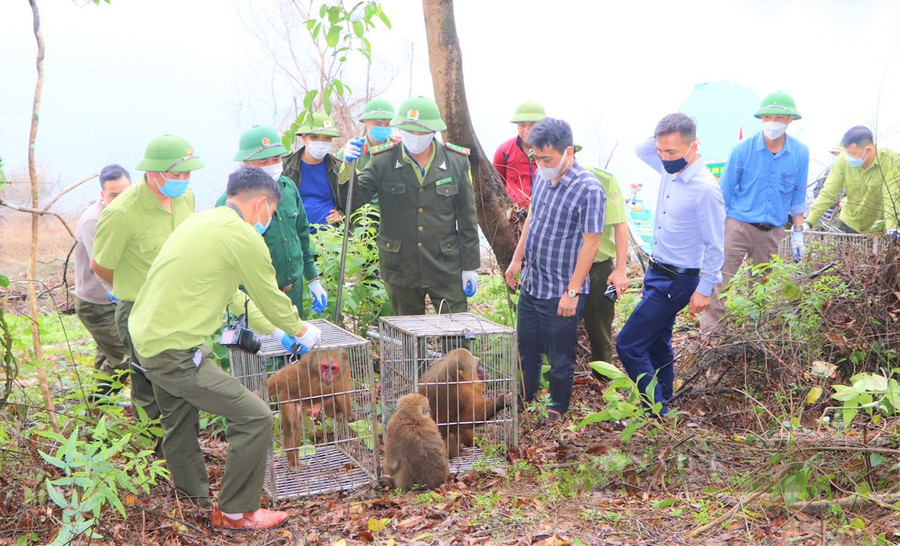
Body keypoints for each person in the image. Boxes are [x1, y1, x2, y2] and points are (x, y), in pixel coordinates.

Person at [129, 166, 321, 530]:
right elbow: (269, 294)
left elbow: (235, 293)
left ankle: (193, 502)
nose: (269, 220)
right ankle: (235, 511)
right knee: (255, 416)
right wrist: (300, 329)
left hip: (147, 341)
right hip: (175, 353)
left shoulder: (200, 222)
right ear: (261, 204)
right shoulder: (243, 236)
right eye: (272, 213)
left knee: (178, 420)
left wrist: (276, 331)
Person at [617, 113, 725, 416]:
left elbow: (716, 247)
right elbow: (642, 149)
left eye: (672, 152)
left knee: (628, 343)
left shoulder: (705, 190)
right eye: (661, 151)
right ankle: (663, 406)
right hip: (656, 271)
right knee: (657, 342)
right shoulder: (669, 170)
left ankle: (655, 409)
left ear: (694, 147)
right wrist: (664, 138)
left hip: (678, 280)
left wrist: (704, 290)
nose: (664, 158)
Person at [92, 135, 203, 423]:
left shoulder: (185, 197)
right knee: (147, 385)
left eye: (187, 174)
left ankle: (181, 441)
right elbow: (100, 265)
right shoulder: (122, 213)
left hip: (179, 306)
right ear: (153, 173)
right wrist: (129, 287)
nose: (183, 180)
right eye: (176, 174)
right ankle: (153, 450)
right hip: (140, 310)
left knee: (184, 378)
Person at [504, 118, 606, 424]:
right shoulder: (542, 176)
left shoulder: (588, 189)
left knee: (560, 358)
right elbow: (533, 218)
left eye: (547, 158)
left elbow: (591, 244)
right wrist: (516, 259)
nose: (541, 164)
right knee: (527, 348)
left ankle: (556, 409)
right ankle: (526, 399)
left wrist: (572, 292)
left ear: (568, 152)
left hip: (562, 289)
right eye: (537, 158)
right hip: (533, 282)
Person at [341, 95, 481, 315]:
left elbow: (467, 218)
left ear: (433, 131)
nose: (415, 137)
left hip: (445, 265)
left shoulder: (456, 161)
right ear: (400, 129)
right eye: (409, 130)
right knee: (407, 337)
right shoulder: (383, 160)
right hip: (400, 266)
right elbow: (353, 200)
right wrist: (346, 167)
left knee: (456, 335)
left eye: (421, 131)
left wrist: (470, 266)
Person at [699, 91, 808, 337]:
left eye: (779, 117)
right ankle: (710, 339)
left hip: (772, 231)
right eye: (768, 116)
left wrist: (799, 231)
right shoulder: (742, 150)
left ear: (789, 120)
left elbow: (798, 198)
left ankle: (752, 338)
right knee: (720, 282)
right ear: (761, 119)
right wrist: (712, 234)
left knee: (763, 287)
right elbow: (723, 195)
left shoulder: (800, 153)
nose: (773, 122)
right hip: (737, 225)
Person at [216, 125, 326, 318]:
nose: (272, 165)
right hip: (254, 300)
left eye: (276, 159)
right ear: (246, 163)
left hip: (292, 294)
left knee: (295, 344)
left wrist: (313, 279)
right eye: (263, 161)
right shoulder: (230, 202)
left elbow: (302, 235)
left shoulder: (288, 188)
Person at [73, 164, 131, 397]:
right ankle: (98, 406)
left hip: (117, 301)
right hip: (97, 304)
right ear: (102, 195)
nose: (119, 200)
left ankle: (93, 422)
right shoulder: (93, 221)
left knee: (106, 357)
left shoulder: (129, 213)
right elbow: (102, 267)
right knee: (125, 357)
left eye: (124, 194)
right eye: (113, 195)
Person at [806, 126, 900, 238]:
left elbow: (891, 197)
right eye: (847, 153)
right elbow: (828, 194)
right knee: (829, 249)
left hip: (879, 226)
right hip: (848, 220)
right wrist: (808, 222)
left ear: (869, 150)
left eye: (853, 153)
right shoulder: (843, 160)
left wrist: (892, 229)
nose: (849, 157)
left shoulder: (892, 161)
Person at [582, 164, 629, 372]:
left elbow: (620, 224)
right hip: (563, 267)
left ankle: (604, 379)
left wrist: (620, 269)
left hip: (600, 269)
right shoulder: (549, 175)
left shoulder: (602, 179)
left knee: (601, 328)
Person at [283, 112, 346, 229]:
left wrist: (341, 215)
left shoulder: (338, 167)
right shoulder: (286, 165)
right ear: (304, 138)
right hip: (295, 234)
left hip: (330, 237)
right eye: (315, 137)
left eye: (327, 138)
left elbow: (352, 201)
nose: (321, 143)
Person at [493, 101, 545, 208]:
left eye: (532, 125)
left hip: (544, 212)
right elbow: (498, 184)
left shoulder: (551, 152)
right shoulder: (504, 151)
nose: (527, 131)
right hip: (514, 214)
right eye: (522, 125)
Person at [338, 97, 398, 181]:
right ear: (365, 122)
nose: (383, 127)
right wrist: (347, 163)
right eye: (377, 123)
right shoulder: (354, 149)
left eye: (388, 124)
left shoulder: (398, 149)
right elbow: (339, 185)